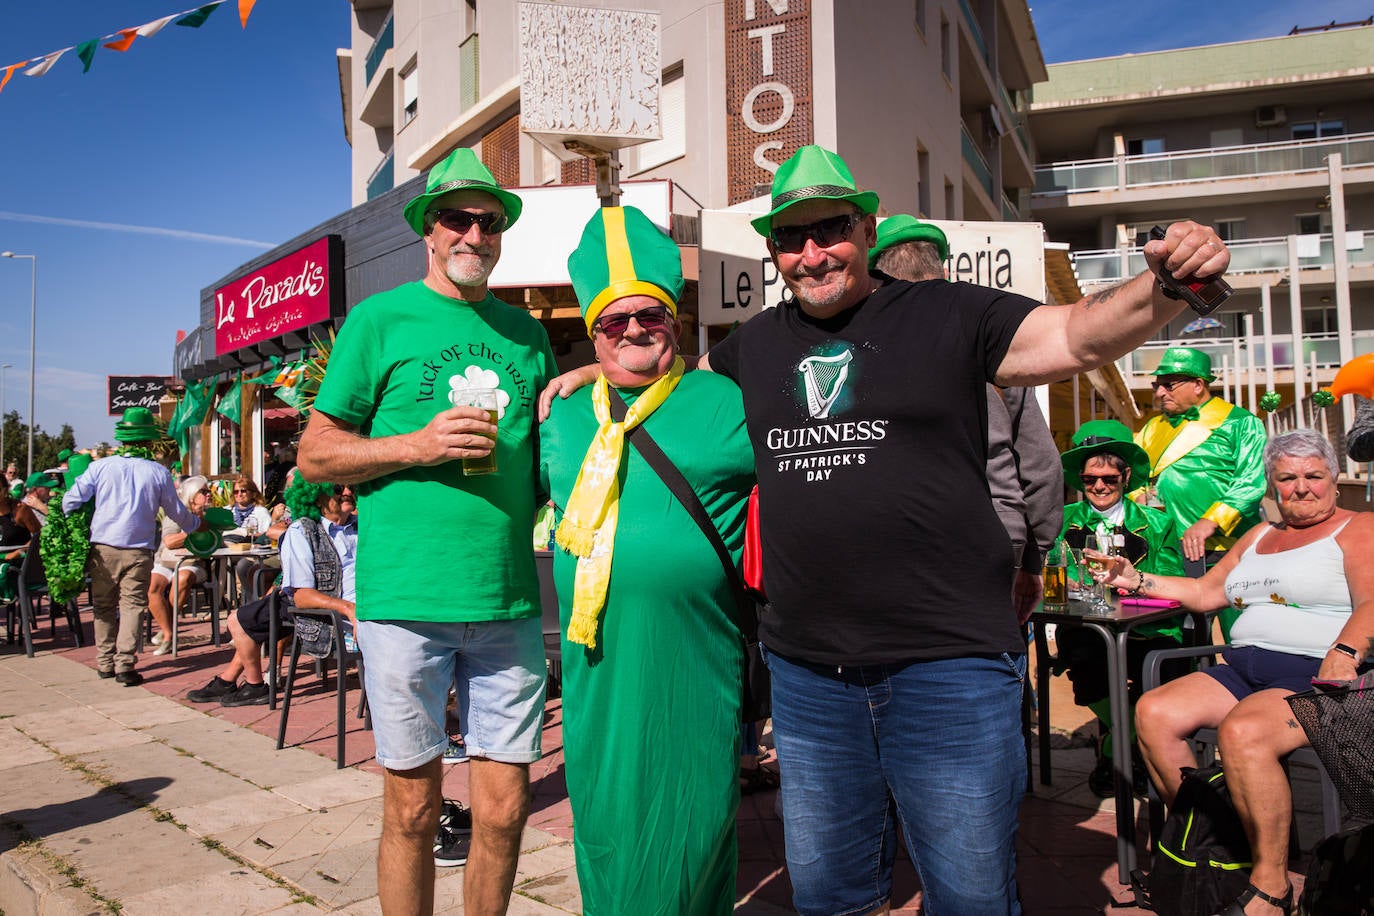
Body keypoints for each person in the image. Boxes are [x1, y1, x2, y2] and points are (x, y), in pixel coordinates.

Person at [543, 144, 1228, 915]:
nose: (812, 252)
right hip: (809, 676)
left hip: (946, 667)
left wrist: (1167, 283)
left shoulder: (951, 312)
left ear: (865, 228)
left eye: (829, 228)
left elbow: (1077, 336)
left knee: (969, 897)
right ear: (774, 252)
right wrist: (600, 373)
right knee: (832, 898)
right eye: (791, 238)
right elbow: (665, 382)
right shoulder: (754, 346)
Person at [298, 147, 556, 915]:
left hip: (507, 600)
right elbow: (316, 454)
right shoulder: (380, 319)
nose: (474, 233)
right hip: (406, 599)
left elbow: (544, 451)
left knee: (505, 812)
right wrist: (416, 445)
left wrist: (574, 384)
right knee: (412, 811)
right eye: (457, 218)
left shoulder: (527, 335)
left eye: (489, 220)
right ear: (429, 232)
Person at [540, 206, 754, 913]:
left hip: (692, 662)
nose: (633, 329)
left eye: (650, 316)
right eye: (613, 321)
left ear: (675, 319)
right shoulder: (561, 414)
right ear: (592, 332)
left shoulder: (726, 401)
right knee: (606, 824)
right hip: (596, 668)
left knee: (691, 827)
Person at [1096, 429, 1374, 916]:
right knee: (1154, 711)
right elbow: (1206, 593)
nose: (1302, 487)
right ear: (1271, 484)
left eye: (1314, 475)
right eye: (1287, 478)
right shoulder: (1261, 534)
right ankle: (1221, 844)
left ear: (1334, 479)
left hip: (1317, 674)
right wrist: (1134, 577)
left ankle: (1272, 885)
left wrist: (1347, 650)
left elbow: (1372, 600)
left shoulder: (1358, 527)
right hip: (1245, 666)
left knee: (1242, 731)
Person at [868, 214, 1063, 620]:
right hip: (998, 532)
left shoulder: (869, 349)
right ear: (943, 269)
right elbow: (1042, 468)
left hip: (906, 539)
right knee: (991, 665)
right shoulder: (988, 339)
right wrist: (1033, 559)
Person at [1055, 419, 1184, 797]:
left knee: (1162, 670)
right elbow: (1051, 569)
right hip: (1089, 630)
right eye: (1090, 478)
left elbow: (1173, 581)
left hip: (1150, 630)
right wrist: (1069, 583)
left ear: (1126, 476)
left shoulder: (1158, 523)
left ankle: (1115, 751)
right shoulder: (1062, 521)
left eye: (1109, 478)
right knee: (1086, 653)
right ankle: (1133, 750)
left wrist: (1134, 583)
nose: (1098, 487)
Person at [61, 407, 202, 685]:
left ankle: (104, 662)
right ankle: (125, 664)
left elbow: (70, 501)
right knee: (132, 605)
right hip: (138, 550)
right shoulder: (157, 472)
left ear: (124, 439)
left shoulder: (100, 467)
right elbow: (176, 512)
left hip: (102, 549)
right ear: (149, 441)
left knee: (103, 605)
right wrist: (196, 525)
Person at [187, 479, 357, 707]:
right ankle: (249, 682)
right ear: (316, 496)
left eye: (352, 487)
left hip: (325, 607)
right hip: (315, 602)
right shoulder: (304, 529)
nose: (347, 491)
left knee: (243, 619)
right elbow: (299, 590)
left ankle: (244, 683)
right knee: (249, 613)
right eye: (338, 488)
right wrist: (346, 607)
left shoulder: (364, 527)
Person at [1133, 346, 1266, 637]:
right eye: (1157, 385)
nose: (1159, 393)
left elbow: (1251, 481)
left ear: (1198, 385)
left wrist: (1211, 520)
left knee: (1244, 636)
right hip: (1172, 553)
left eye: (1169, 385)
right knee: (1185, 641)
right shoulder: (1151, 428)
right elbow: (1135, 478)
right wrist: (1140, 498)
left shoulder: (1242, 423)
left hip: (1230, 552)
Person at [147, 475, 214, 654]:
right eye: (204, 491)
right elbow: (169, 542)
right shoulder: (178, 513)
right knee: (153, 585)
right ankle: (169, 632)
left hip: (193, 563)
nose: (208, 495)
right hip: (167, 559)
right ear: (192, 495)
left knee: (182, 578)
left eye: (209, 491)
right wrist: (196, 527)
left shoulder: (213, 515)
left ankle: (167, 633)